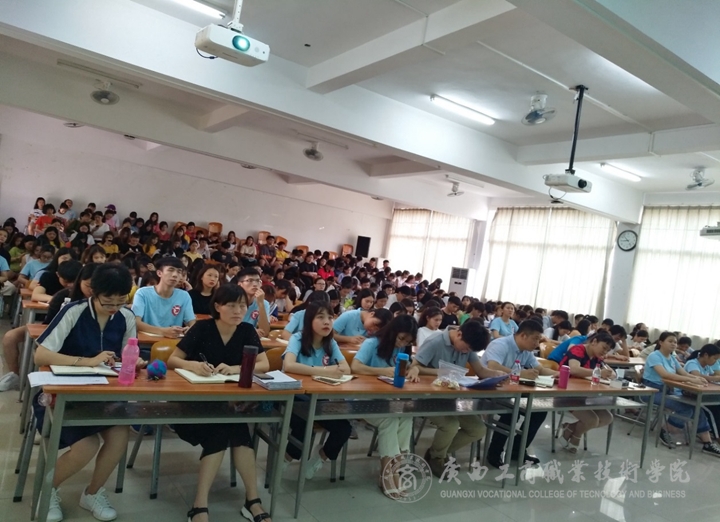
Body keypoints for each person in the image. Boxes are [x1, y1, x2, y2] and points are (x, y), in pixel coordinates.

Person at [33, 263, 141, 522]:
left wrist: (133, 362)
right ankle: (48, 492)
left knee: (120, 435)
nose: (114, 307)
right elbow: (41, 354)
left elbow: (127, 352)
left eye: (121, 301)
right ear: (93, 292)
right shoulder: (74, 311)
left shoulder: (125, 317)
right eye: (108, 302)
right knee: (86, 446)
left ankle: (92, 493)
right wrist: (87, 362)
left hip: (102, 394)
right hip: (62, 395)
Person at [167, 284, 272, 522]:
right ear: (217, 306)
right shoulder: (202, 328)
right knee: (231, 426)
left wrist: (236, 368)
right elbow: (173, 360)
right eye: (231, 305)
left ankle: (202, 504)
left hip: (229, 404)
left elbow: (264, 364)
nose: (238, 311)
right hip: (192, 405)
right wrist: (193, 365)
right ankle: (251, 502)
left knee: (229, 425)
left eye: (242, 306)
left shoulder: (247, 330)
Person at [409, 319, 504, 477]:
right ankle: (437, 458)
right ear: (459, 334)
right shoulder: (435, 342)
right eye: (466, 348)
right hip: (428, 398)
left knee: (478, 429)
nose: (466, 352)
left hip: (452, 398)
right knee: (451, 425)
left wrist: (497, 375)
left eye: (469, 350)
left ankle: (436, 453)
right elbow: (414, 367)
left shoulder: (468, 344)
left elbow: (480, 371)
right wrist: (442, 372)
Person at [350, 315, 419, 498]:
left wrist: (414, 369)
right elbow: (355, 367)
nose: (402, 343)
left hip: (387, 401)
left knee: (407, 416)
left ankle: (394, 470)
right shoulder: (372, 344)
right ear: (392, 332)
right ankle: (389, 473)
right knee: (390, 420)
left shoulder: (402, 349)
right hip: (364, 401)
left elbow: (410, 366)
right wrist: (381, 371)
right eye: (401, 338)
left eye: (407, 341)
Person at [282, 302, 353, 479]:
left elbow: (346, 369)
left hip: (319, 399)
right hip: (293, 397)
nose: (327, 322)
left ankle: (319, 458)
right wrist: (324, 370)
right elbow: (289, 365)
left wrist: (330, 371)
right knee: (303, 424)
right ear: (309, 320)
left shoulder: (331, 343)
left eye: (330, 317)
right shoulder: (298, 338)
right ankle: (285, 459)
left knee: (344, 428)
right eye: (320, 317)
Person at [483, 320, 558, 466]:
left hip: (512, 392)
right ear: (523, 335)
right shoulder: (501, 344)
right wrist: (520, 373)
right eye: (535, 339)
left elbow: (540, 369)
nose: (537, 344)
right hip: (491, 389)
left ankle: (517, 451)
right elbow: (493, 366)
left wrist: (558, 374)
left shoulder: (526, 351)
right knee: (512, 411)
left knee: (539, 411)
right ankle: (494, 452)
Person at [641, 331, 720, 455]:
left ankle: (707, 443)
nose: (673, 344)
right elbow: (665, 375)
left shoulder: (672, 358)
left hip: (667, 391)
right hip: (651, 391)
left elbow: (683, 373)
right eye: (670, 341)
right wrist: (691, 380)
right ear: (661, 342)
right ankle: (664, 430)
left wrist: (697, 378)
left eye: (675, 342)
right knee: (686, 408)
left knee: (697, 407)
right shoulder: (654, 356)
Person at [556, 331, 617, 453]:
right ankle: (576, 436)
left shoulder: (596, 358)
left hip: (585, 395)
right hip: (566, 393)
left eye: (608, 350)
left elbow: (613, 374)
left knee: (607, 418)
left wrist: (609, 374)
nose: (604, 352)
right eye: (604, 348)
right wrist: (598, 372)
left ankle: (570, 428)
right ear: (594, 342)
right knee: (592, 420)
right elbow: (574, 369)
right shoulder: (578, 350)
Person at [132, 257, 196, 339]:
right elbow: (136, 322)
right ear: (159, 273)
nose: (175, 275)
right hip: (147, 342)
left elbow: (191, 322)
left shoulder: (184, 296)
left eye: (179, 272)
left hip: (174, 341)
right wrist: (163, 331)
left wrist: (190, 328)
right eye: (171, 270)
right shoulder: (142, 293)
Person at [234, 268, 271, 337]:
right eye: (250, 280)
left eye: (257, 281)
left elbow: (265, 332)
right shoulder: (232, 301)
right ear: (240, 284)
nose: (255, 284)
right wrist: (250, 331)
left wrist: (261, 304)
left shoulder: (264, 303)